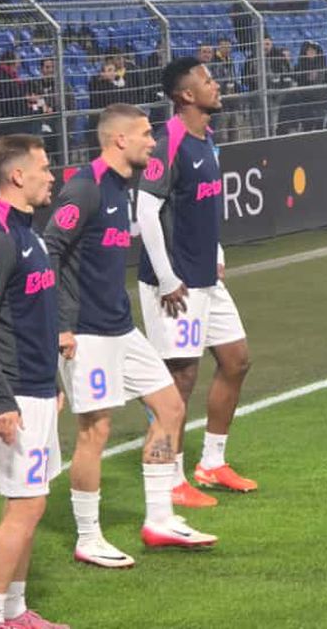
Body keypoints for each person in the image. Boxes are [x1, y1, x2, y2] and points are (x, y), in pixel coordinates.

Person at [45, 103, 217, 568]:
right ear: (119, 139)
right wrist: (60, 325)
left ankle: (159, 519)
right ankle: (88, 537)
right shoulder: (85, 188)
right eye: (144, 134)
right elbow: (50, 249)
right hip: (87, 334)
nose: (153, 142)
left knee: (171, 407)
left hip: (121, 327)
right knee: (95, 431)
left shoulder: (123, 187)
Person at [136, 58, 257, 508]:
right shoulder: (167, 141)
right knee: (180, 378)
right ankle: (170, 479)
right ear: (186, 95)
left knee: (236, 360)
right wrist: (167, 278)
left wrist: (217, 250)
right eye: (207, 81)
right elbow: (146, 211)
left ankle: (212, 462)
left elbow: (201, 206)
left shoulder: (207, 138)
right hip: (176, 284)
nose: (216, 84)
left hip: (205, 275)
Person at [0, 134, 67, 629]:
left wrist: (55, 379)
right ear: (18, 175)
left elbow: (36, 316)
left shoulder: (29, 231)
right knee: (26, 505)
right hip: (13, 391)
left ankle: (16, 612)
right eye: (45, 168)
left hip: (36, 386)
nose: (52, 176)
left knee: (30, 502)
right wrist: (3, 400)